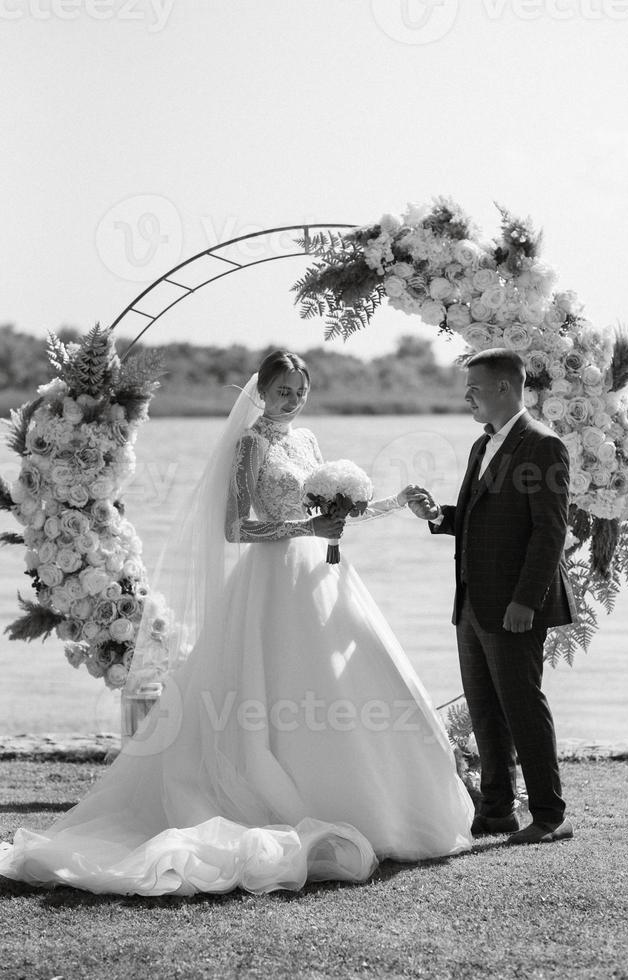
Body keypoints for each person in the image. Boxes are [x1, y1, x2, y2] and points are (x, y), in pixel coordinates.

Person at [0, 350, 473, 896]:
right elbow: (234, 529)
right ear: (261, 393)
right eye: (283, 392)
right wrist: (304, 525)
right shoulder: (251, 444)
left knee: (353, 680)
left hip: (324, 578)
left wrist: (395, 502)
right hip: (272, 581)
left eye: (300, 391)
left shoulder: (307, 440)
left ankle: (381, 806)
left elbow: (337, 517)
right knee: (273, 690)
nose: (292, 401)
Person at [406, 348, 576, 845]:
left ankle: (550, 816)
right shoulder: (483, 446)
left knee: (522, 706)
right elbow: (478, 518)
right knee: (485, 711)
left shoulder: (544, 446)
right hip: (472, 605)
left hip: (515, 607)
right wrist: (437, 515)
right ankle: (496, 811)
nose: (467, 398)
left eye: (474, 388)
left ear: (504, 387)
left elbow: (550, 532)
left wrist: (526, 600)